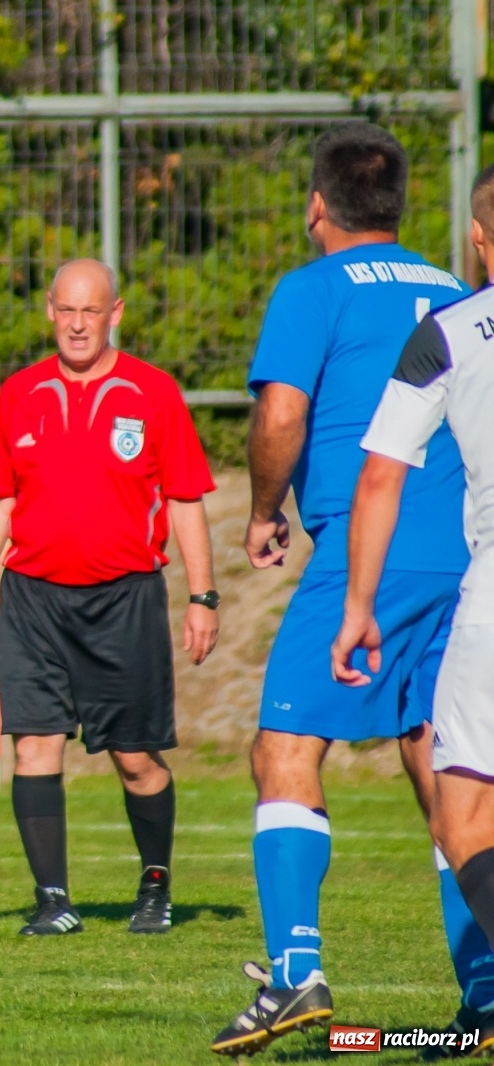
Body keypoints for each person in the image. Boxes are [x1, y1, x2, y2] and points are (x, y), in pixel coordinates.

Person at [211, 123, 476, 1057]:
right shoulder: (455, 290)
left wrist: (262, 508)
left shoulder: (312, 286)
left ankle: (295, 975)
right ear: (400, 207)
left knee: (283, 747)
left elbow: (282, 411)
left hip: (376, 549)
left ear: (317, 206)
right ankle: (484, 993)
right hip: (467, 557)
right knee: (444, 768)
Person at [0, 258, 219, 938]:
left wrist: (203, 596)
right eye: (65, 310)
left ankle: (155, 883)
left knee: (134, 758)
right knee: (35, 747)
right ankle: (52, 900)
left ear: (114, 313)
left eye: (89, 311)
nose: (75, 323)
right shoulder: (19, 395)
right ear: (48, 310)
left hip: (125, 600)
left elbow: (185, 501)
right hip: (32, 602)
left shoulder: (152, 394)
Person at [331, 162, 494, 1059]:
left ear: (477, 238)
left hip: (493, 608)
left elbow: (383, 472)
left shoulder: (448, 332)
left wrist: (359, 605)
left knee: (464, 817)